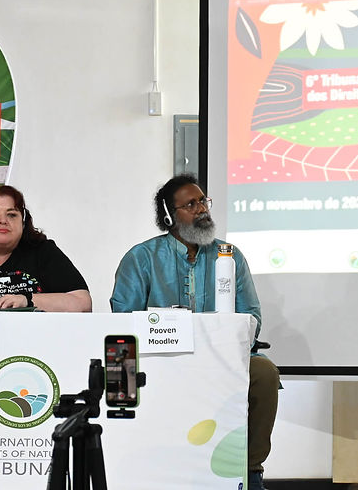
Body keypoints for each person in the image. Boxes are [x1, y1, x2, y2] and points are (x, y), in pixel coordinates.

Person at [110, 174, 279, 490]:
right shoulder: (141, 258)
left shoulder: (229, 255)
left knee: (264, 372)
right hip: (161, 356)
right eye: (191, 204)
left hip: (222, 357)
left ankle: (250, 470)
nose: (202, 209)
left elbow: (252, 316)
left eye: (203, 201)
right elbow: (124, 318)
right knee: (120, 371)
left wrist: (218, 342)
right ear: (169, 216)